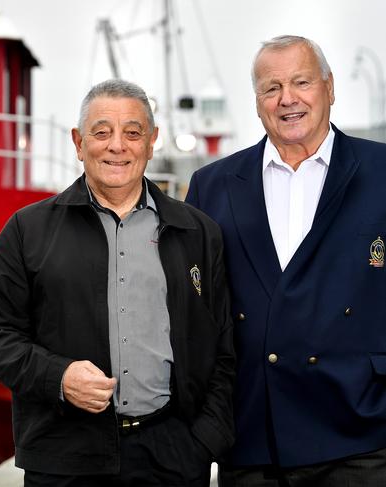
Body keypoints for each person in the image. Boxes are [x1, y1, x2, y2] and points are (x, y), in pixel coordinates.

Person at [0, 79, 235, 486]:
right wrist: (57, 377)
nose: (117, 146)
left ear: (151, 142)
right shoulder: (28, 230)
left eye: (132, 132)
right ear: (78, 143)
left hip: (172, 462)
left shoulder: (198, 233)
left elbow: (224, 349)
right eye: (101, 132)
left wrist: (204, 441)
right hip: (63, 461)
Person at [186, 35, 386, 486]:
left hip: (362, 439)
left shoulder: (382, 172)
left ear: (330, 88)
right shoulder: (211, 186)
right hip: (254, 438)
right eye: (270, 88)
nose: (287, 99)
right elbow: (195, 314)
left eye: (301, 82)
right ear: (256, 101)